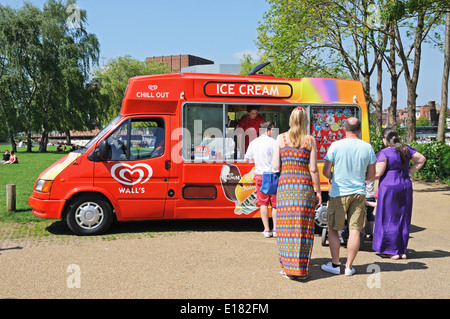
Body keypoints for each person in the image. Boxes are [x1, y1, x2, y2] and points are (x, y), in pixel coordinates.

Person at [321, 117, 376, 276]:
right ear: (359, 130)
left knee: (333, 228)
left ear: (344, 129)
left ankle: (335, 264)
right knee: (355, 230)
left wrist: (335, 176)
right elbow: (371, 175)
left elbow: (326, 172)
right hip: (359, 192)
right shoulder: (367, 147)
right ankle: (349, 267)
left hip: (338, 193)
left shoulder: (335, 146)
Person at [272, 107, 322, 280]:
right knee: (303, 227)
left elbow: (275, 166)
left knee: (285, 227)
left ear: (291, 120)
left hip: (286, 188)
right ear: (305, 121)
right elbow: (314, 169)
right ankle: (301, 270)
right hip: (304, 188)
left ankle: (287, 268)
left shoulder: (281, 138)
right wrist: (318, 192)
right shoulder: (310, 140)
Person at [371, 128, 426, 260]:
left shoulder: (384, 152)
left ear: (385, 139)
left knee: (388, 217)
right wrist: (409, 172)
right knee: (403, 217)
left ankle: (391, 250)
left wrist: (363, 177)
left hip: (389, 186)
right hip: (405, 185)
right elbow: (421, 159)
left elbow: (378, 173)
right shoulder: (405, 149)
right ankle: (401, 250)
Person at [244, 121, 277, 238]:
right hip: (273, 175)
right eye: (272, 130)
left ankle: (267, 230)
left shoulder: (254, 143)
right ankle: (276, 229)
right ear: (267, 130)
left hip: (260, 176)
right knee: (274, 204)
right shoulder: (274, 142)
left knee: (263, 203)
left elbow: (246, 159)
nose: (273, 132)